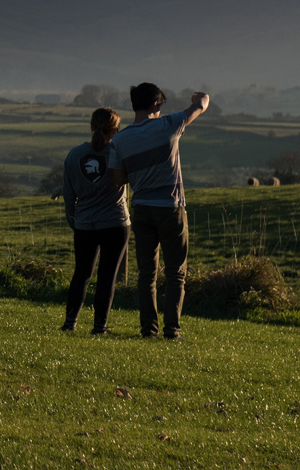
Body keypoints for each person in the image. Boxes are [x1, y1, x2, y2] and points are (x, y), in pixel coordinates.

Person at [111, 82, 209, 340]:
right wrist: (203, 96)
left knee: (147, 274)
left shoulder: (119, 140)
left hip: (141, 209)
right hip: (171, 208)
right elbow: (200, 106)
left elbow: (119, 179)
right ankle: (172, 330)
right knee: (176, 272)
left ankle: (148, 330)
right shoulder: (169, 125)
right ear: (156, 104)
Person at [60, 107, 128, 334]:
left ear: (91, 127)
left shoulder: (73, 155)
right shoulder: (120, 153)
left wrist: (74, 220)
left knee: (81, 274)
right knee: (107, 276)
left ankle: (70, 323)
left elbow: (69, 194)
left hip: (85, 225)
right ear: (116, 130)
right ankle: (99, 327)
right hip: (115, 223)